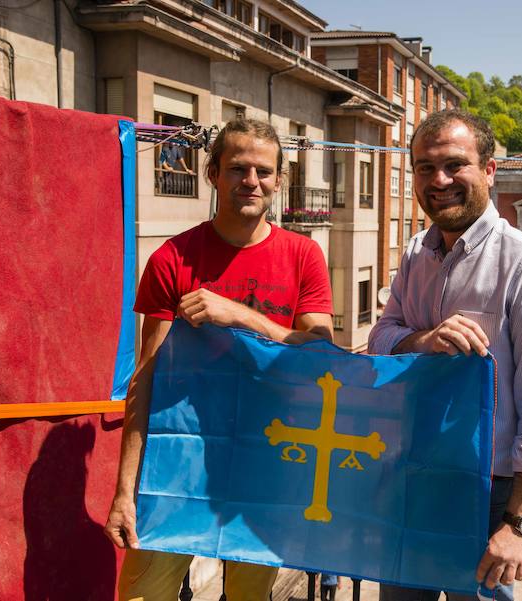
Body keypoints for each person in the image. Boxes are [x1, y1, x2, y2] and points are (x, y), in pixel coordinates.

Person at [106, 119, 334, 601]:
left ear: (279, 180)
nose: (251, 181)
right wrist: (126, 490)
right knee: (143, 596)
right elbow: (146, 379)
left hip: (264, 459)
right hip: (178, 461)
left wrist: (241, 317)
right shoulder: (173, 258)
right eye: (237, 169)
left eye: (263, 171)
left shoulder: (303, 255)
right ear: (212, 173)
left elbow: (319, 355)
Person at [368, 110, 522, 601]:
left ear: (489, 170)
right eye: (424, 167)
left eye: (454, 165)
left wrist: (519, 525)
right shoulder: (417, 252)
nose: (438, 180)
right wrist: (424, 340)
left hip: (488, 496)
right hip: (413, 478)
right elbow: (380, 338)